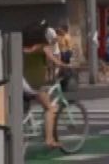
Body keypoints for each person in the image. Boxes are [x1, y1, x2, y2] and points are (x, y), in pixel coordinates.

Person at [22, 20, 71, 149]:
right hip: (34, 83)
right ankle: (49, 140)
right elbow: (55, 61)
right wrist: (67, 65)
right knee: (50, 108)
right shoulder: (42, 47)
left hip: (20, 81)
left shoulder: (21, 46)